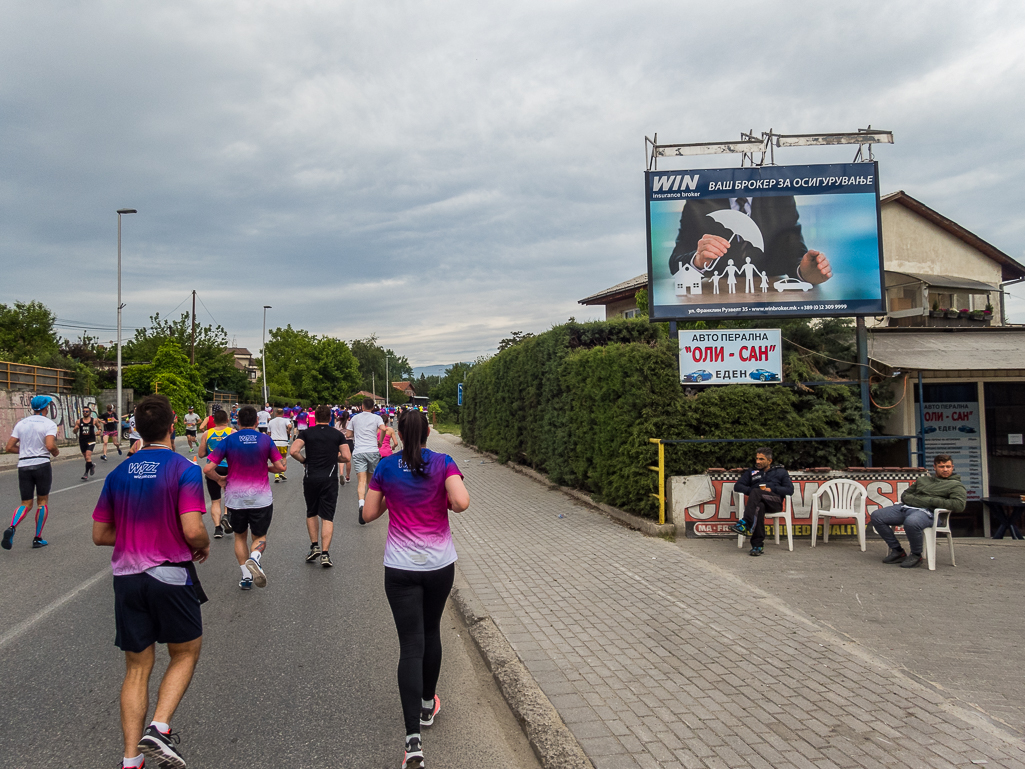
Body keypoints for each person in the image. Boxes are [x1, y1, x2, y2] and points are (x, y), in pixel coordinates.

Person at [91, 394, 210, 769]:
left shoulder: (118, 473)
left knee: (137, 667)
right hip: (170, 575)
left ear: (136, 430)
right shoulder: (183, 468)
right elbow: (192, 530)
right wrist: (202, 545)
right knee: (185, 652)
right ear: (175, 423)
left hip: (127, 577)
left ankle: (130, 760)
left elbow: (100, 534)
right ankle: (158, 728)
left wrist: (136, 534)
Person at [361, 410, 469, 769]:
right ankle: (427, 705)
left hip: (400, 568)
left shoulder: (387, 467)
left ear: (399, 434)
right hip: (439, 566)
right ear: (426, 433)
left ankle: (413, 742)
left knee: (410, 644)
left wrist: (394, 497)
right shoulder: (443, 461)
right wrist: (443, 499)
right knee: (431, 631)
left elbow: (369, 515)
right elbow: (461, 502)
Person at [668, 196, 832, 288]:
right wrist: (697, 261)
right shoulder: (697, 203)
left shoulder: (781, 198)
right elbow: (676, 264)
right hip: (714, 299)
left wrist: (805, 273)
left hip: (769, 302)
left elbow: (793, 254)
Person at [203, 405, 285, 590]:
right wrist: (267, 468)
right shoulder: (265, 440)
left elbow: (207, 468)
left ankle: (246, 577)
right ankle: (255, 558)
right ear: (257, 421)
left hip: (235, 499)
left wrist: (220, 480)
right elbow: (281, 467)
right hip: (261, 499)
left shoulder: (228, 440)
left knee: (240, 537)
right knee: (260, 536)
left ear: (237, 421)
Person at [872, 454, 967, 568]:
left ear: (952, 467)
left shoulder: (956, 485)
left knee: (911, 522)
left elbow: (959, 505)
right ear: (935, 467)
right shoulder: (923, 480)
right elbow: (905, 496)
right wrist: (920, 501)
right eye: (941, 467)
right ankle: (897, 551)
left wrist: (929, 501)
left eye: (948, 466)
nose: (945, 469)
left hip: (931, 514)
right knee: (877, 516)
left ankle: (916, 555)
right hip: (907, 508)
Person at [289, 405, 352, 567]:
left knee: (311, 512)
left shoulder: (307, 433)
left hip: (311, 477)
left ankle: (314, 545)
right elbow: (346, 456)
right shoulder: (337, 435)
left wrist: (304, 461)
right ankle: (325, 554)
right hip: (329, 479)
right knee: (327, 516)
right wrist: (334, 459)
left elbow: (293, 451)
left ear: (315, 418)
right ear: (330, 418)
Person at [3, 395, 60, 551]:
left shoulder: (21, 423)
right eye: (48, 406)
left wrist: (26, 451)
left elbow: (8, 447)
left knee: (26, 503)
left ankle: (12, 527)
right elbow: (49, 445)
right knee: (42, 502)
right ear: (45, 407)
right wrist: (55, 451)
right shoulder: (49, 424)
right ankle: (37, 538)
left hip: (24, 465)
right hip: (41, 464)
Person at [729, 447, 794, 556]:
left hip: (774, 502)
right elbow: (738, 486)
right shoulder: (752, 472)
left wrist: (772, 489)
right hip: (758, 502)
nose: (757, 461)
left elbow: (789, 490)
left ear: (769, 461)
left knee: (757, 492)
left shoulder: (780, 472)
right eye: (757, 458)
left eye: (761, 459)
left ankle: (745, 523)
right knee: (759, 506)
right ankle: (757, 545)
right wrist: (753, 492)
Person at [198, 409, 234, 539]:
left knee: (215, 500)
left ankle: (217, 528)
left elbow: (201, 454)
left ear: (214, 421)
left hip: (212, 469)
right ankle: (226, 515)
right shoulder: (232, 432)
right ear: (227, 420)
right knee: (229, 495)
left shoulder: (207, 434)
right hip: (229, 468)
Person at [349, 397, 385, 516]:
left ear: (362, 407)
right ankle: (371, 505)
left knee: (361, 481)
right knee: (371, 480)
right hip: (372, 450)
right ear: (373, 407)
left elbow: (348, 433)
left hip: (359, 451)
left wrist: (357, 433)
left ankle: (361, 504)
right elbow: (383, 429)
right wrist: (380, 440)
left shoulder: (355, 418)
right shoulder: (377, 418)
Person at [73, 406, 99, 481]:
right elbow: (75, 432)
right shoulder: (79, 421)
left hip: (91, 440)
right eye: (84, 411)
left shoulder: (94, 420)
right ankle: (92, 465)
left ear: (90, 413)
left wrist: (99, 431)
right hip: (82, 441)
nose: (85, 412)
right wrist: (75, 429)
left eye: (87, 411)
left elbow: (99, 426)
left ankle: (86, 474)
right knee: (86, 459)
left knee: (88, 457)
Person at [268, 407, 292, 483]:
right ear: (283, 414)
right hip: (283, 441)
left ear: (276, 413)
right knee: (283, 457)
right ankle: (282, 472)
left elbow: (269, 433)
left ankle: (276, 475)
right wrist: (288, 431)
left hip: (274, 442)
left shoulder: (271, 422)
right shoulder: (286, 420)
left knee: (274, 459)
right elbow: (290, 426)